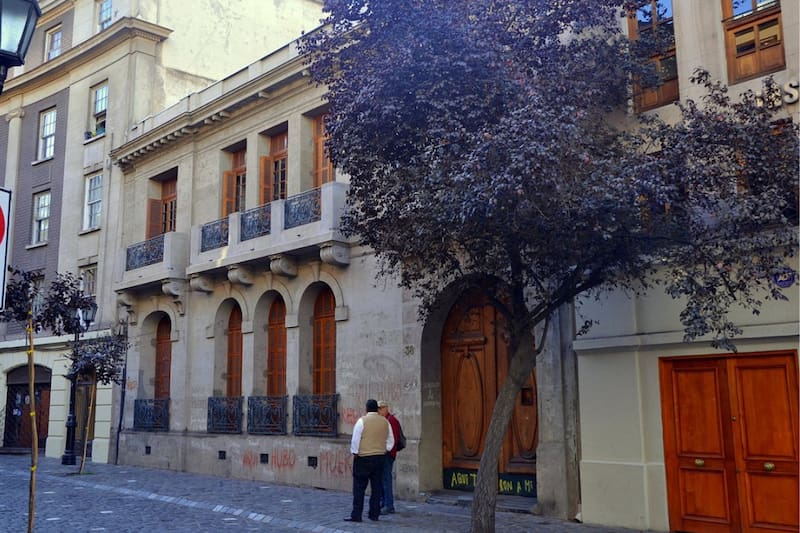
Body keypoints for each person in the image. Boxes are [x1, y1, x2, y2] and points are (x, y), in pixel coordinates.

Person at [346, 398, 394, 522]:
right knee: (376, 487)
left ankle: (357, 514)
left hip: (363, 457)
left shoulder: (362, 421)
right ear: (377, 409)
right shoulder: (385, 422)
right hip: (379, 457)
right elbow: (391, 440)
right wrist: (384, 449)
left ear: (366, 408)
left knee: (359, 488)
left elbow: (355, 440)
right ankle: (374, 514)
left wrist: (355, 452)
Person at [378, 400, 401, 514]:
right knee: (382, 479)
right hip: (383, 453)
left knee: (386, 480)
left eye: (380, 409)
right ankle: (384, 502)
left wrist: (387, 451)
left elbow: (394, 439)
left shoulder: (391, 420)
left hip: (388, 454)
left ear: (385, 409)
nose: (378, 411)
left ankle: (389, 504)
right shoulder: (383, 420)